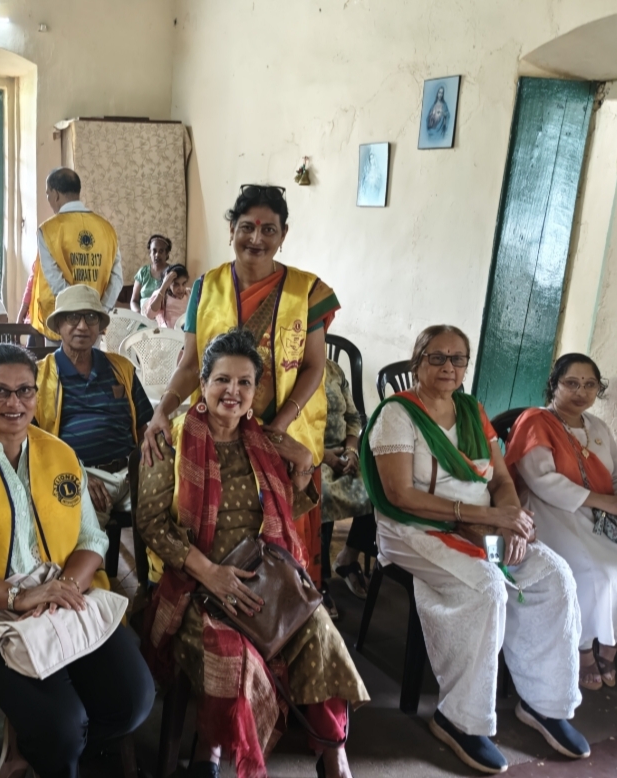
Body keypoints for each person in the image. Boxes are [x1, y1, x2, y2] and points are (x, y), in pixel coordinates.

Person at [0, 344, 154, 778]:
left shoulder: (60, 455)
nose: (14, 404)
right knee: (61, 726)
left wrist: (66, 588)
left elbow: (91, 538)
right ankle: (53, 750)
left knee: (134, 701)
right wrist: (20, 597)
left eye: (25, 391)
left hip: (59, 595)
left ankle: (41, 753)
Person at [139, 329, 368, 778]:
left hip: (267, 580)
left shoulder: (263, 442)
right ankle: (214, 751)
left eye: (245, 383)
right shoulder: (172, 437)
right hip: (197, 588)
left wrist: (303, 466)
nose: (234, 391)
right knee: (233, 652)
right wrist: (211, 574)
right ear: (203, 383)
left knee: (319, 630)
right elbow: (151, 523)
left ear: (256, 391)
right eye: (223, 380)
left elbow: (291, 508)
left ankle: (332, 753)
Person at [363, 325, 589, 774]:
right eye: (437, 357)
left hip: (483, 524)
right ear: (417, 361)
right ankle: (460, 719)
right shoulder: (397, 414)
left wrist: (513, 524)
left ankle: (544, 702)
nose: (449, 367)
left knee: (553, 575)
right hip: (415, 529)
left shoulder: (471, 410)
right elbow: (401, 495)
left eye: (458, 359)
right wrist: (489, 518)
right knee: (486, 588)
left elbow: (502, 482)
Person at [143, 184, 340, 584]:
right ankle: (212, 590)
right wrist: (161, 409)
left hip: (284, 437)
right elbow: (190, 363)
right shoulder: (206, 287)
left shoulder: (309, 291)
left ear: (283, 236)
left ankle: (283, 610)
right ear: (232, 228)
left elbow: (315, 367)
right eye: (247, 226)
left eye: (269, 229)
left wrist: (278, 426)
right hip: (218, 435)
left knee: (281, 545)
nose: (257, 238)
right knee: (215, 526)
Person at [505, 353, 617, 690]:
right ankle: (583, 646)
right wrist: (608, 503)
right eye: (571, 383)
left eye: (590, 385)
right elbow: (543, 481)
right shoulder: (536, 422)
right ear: (554, 385)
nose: (581, 391)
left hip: (602, 514)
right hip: (551, 511)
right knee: (598, 574)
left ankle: (610, 639)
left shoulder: (598, 427)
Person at [34, 285, 154, 528]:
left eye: (90, 317)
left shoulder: (122, 368)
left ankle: (155, 568)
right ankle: (92, 566)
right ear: (58, 326)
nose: (82, 325)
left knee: (171, 509)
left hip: (131, 471)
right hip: (77, 475)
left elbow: (143, 427)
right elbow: (33, 444)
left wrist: (146, 469)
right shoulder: (38, 377)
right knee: (84, 536)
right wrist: (75, 474)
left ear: (100, 326)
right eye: (72, 317)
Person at [25, 168, 123, 341]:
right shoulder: (107, 229)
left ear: (55, 194)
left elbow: (54, 279)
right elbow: (117, 278)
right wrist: (97, 312)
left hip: (61, 322)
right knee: (91, 366)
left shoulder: (49, 230)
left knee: (58, 367)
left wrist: (74, 317)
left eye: (48, 194)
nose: (49, 199)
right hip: (94, 323)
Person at [320, 358, 375, 603]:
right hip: (308, 453)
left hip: (343, 451)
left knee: (377, 486)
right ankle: (318, 580)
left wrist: (351, 451)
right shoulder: (281, 369)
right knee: (322, 494)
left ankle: (348, 558)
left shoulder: (333, 369)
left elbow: (354, 417)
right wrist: (324, 456)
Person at [130, 234, 172, 312]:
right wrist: (138, 314)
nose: (157, 255)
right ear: (150, 253)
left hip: (165, 320)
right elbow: (134, 301)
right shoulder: (143, 272)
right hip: (142, 318)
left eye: (161, 251)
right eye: (154, 251)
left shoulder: (173, 272)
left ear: (167, 254)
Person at [143, 262, 191, 329]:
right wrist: (164, 286)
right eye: (176, 284)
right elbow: (149, 315)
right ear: (169, 284)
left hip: (185, 334)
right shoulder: (162, 296)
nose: (181, 288)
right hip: (168, 335)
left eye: (184, 283)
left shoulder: (189, 293)